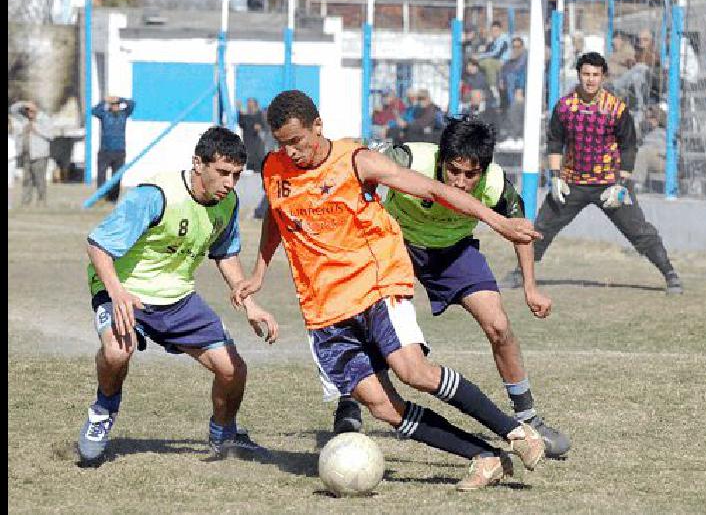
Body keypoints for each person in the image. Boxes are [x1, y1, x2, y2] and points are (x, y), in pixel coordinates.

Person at [232, 90, 546, 491]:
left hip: (375, 285)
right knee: (382, 407)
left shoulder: (356, 160)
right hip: (323, 306)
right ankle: (484, 457)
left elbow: (433, 190)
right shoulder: (273, 169)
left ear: (318, 127)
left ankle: (516, 431)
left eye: (297, 141)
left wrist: (498, 223)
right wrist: (259, 271)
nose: (291, 152)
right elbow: (278, 216)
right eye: (283, 144)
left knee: (414, 372)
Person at [328, 116, 571, 459]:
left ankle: (529, 419)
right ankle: (349, 402)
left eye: (469, 175)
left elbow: (520, 229)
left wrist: (531, 286)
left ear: (483, 170)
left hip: (454, 252)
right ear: (441, 159)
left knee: (499, 325)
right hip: (396, 245)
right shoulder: (410, 158)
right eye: (452, 171)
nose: (458, 182)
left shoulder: (496, 184)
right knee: (367, 322)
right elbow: (357, 156)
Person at [76, 126, 278, 464]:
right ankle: (102, 412)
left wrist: (250, 304)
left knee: (233, 370)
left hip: (178, 298)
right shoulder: (157, 195)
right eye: (223, 173)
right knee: (116, 352)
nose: (230, 182)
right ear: (199, 164)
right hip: (126, 292)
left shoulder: (226, 203)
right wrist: (117, 293)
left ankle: (224, 435)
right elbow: (98, 245)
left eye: (237, 175)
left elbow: (225, 253)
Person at [504, 52, 683, 295]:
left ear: (603, 76)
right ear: (579, 75)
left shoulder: (616, 108)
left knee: (638, 230)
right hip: (571, 182)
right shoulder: (565, 107)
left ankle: (670, 275)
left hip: (610, 184)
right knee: (542, 228)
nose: (590, 80)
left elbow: (629, 147)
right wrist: (555, 178)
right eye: (586, 74)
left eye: (595, 75)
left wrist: (621, 185)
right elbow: (555, 142)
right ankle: (520, 273)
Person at [9, 100, 53, 206]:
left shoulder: (44, 119)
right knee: (26, 181)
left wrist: (36, 129)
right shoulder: (24, 119)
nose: (29, 113)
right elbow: (12, 110)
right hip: (26, 154)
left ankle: (41, 202)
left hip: (40, 155)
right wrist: (23, 104)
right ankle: (25, 202)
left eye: (31, 110)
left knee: (40, 180)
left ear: (36, 109)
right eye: (27, 110)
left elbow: (51, 135)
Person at [92, 96, 135, 203]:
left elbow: (132, 104)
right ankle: (101, 196)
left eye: (117, 105)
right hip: (105, 151)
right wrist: (105, 101)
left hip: (119, 151)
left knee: (117, 176)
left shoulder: (123, 115)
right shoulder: (105, 115)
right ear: (110, 106)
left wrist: (120, 99)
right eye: (113, 105)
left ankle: (113, 198)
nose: (115, 107)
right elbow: (94, 111)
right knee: (101, 176)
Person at [237, 97, 266, 172]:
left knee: (258, 153)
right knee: (249, 153)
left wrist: (259, 126)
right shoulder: (244, 114)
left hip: (257, 137)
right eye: (248, 102)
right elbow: (241, 124)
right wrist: (240, 112)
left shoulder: (259, 113)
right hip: (248, 137)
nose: (249, 104)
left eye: (251, 102)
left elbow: (263, 125)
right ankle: (250, 168)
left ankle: (259, 168)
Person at [500, 37, 528, 108]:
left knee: (510, 77)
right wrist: (501, 79)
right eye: (514, 47)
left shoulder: (524, 56)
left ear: (522, 47)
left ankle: (512, 106)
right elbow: (503, 70)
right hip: (511, 83)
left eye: (518, 47)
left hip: (521, 83)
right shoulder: (510, 60)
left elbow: (517, 69)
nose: (515, 49)